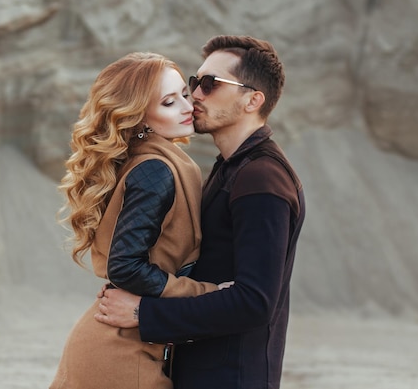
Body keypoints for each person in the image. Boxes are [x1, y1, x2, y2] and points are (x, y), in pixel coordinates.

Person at [95, 35, 306, 389]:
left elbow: (255, 302)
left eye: (210, 84)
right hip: (201, 368)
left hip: (231, 377)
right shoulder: (230, 168)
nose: (195, 95)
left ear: (253, 100)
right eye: (196, 82)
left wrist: (143, 314)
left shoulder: (262, 178)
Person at [49, 52, 228, 389]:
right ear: (141, 118)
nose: (187, 107)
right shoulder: (155, 171)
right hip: (117, 352)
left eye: (184, 95)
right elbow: (125, 267)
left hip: (120, 338)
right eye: (168, 102)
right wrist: (204, 293)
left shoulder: (145, 162)